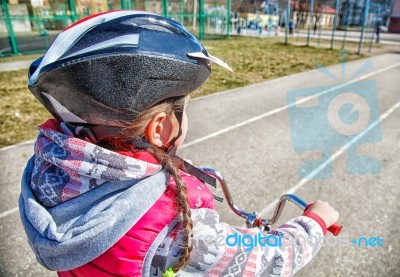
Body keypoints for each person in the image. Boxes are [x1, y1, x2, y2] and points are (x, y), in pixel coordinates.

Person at [19, 11, 339, 276]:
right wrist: (315, 221)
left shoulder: (47, 174)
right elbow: (268, 258)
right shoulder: (170, 228)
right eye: (186, 106)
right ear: (160, 129)